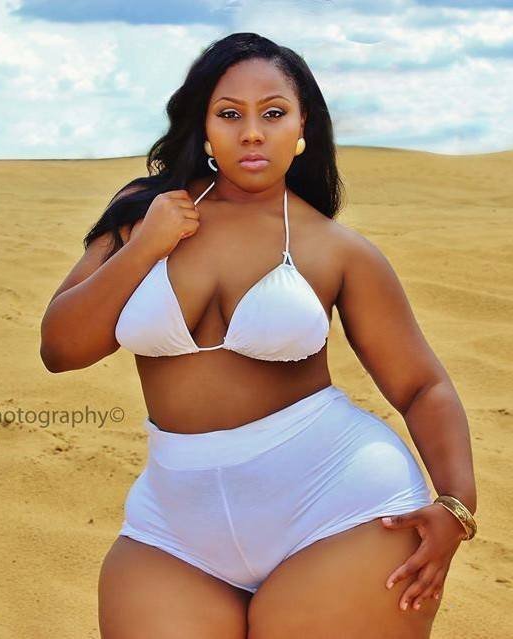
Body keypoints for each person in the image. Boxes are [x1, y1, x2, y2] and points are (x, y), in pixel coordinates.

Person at [40, 32, 477, 639]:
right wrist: (145, 246)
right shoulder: (144, 212)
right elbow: (61, 349)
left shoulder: (335, 248)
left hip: (341, 509)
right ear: (204, 126)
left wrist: (457, 503)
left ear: (302, 127)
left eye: (273, 114)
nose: (252, 133)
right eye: (230, 114)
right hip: (175, 530)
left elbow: (421, 385)